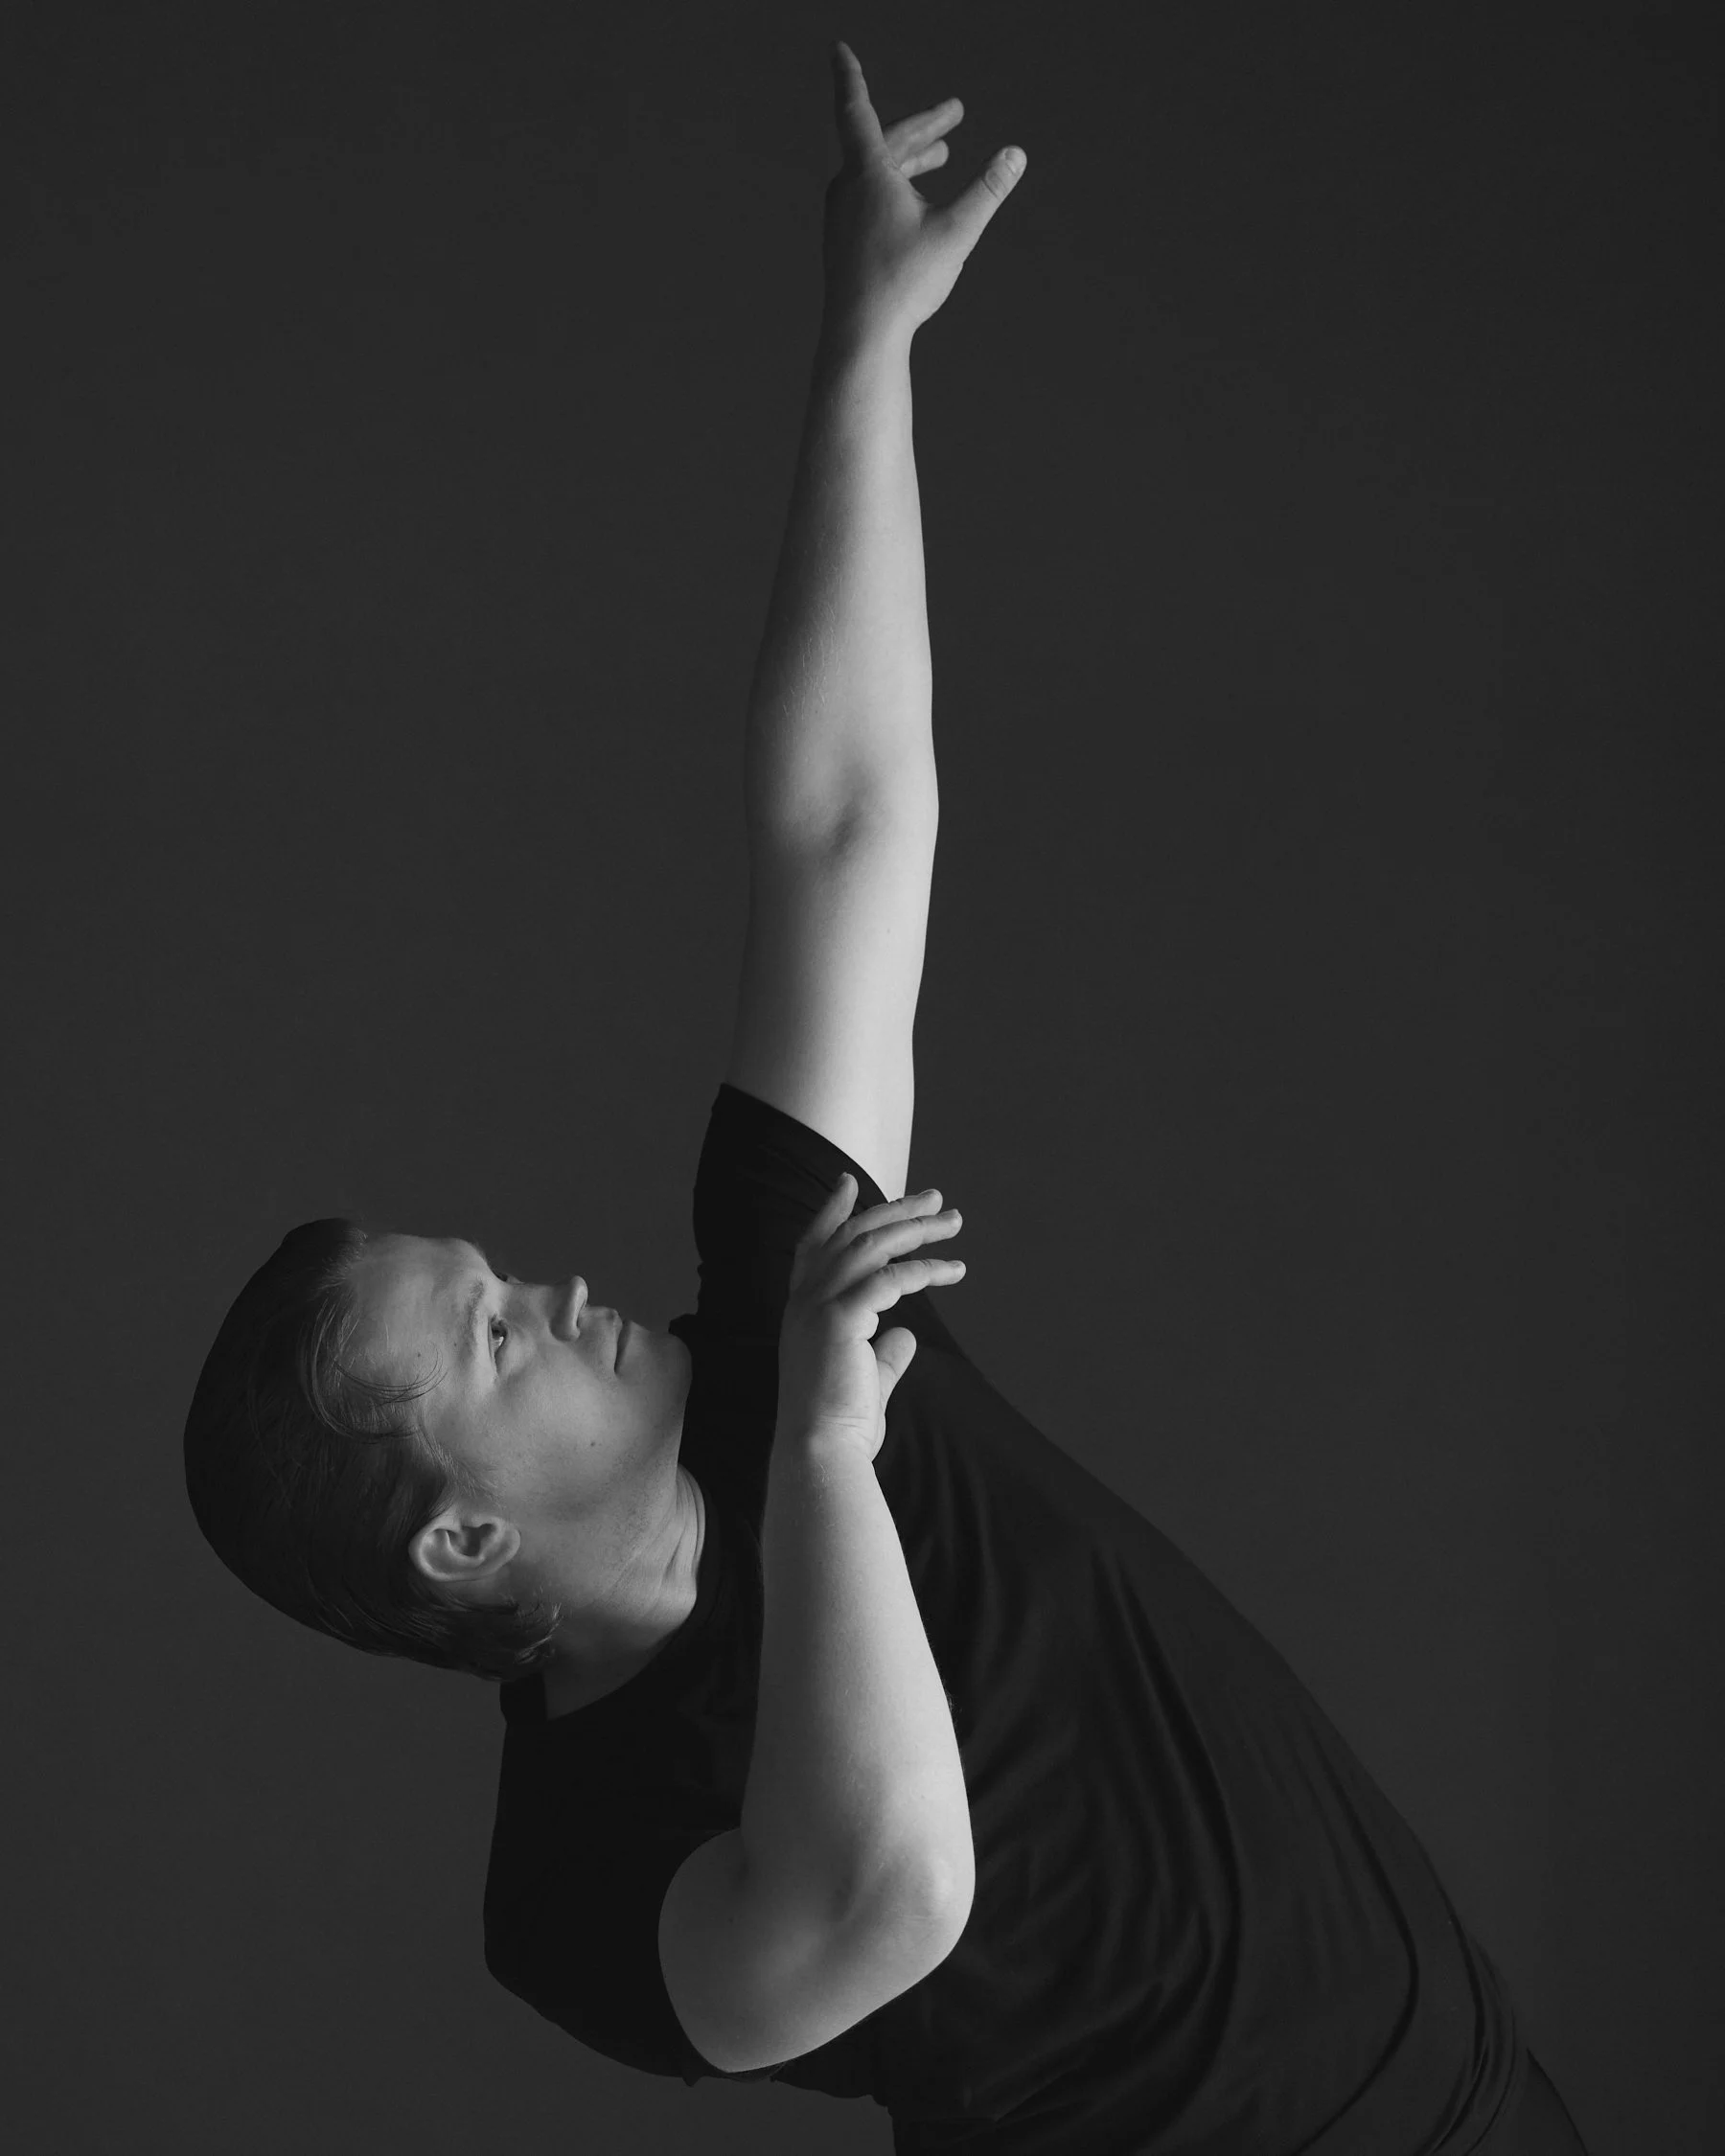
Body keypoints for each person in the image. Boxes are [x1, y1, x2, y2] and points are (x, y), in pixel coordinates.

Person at [183, 42, 1588, 2156]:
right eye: (491, 1334)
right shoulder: (574, 1889)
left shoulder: (775, 1299)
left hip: (1477, 2097)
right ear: (462, 1536)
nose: (556, 1292)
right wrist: (829, 1456)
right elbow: (887, 1898)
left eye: (499, 1272)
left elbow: (847, 824)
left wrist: (867, 350)